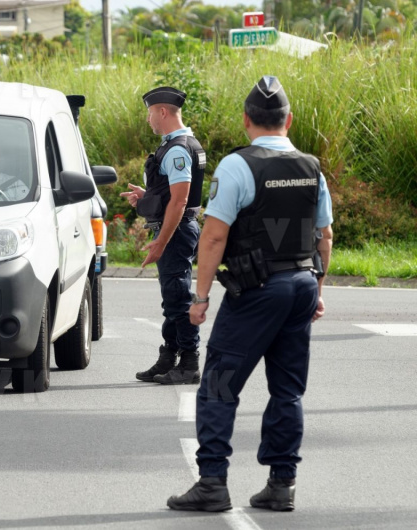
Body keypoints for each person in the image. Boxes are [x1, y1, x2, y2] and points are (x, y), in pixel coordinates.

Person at [165, 76, 334, 512]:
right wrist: (315, 289)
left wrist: (199, 299)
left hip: (257, 291)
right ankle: (281, 484)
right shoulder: (311, 167)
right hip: (299, 285)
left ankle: (212, 484)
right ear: (288, 120)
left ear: (246, 120)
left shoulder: (238, 166)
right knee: (287, 390)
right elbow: (324, 236)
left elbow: (214, 238)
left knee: (218, 386)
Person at [121, 87, 207, 385]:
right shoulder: (180, 145)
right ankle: (169, 357)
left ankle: (189, 362)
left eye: (149, 113)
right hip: (179, 227)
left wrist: (161, 242)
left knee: (178, 298)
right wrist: (148, 196)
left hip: (177, 230)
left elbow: (180, 201)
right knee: (172, 298)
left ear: (162, 112)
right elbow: (174, 193)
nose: (148, 119)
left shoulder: (178, 149)